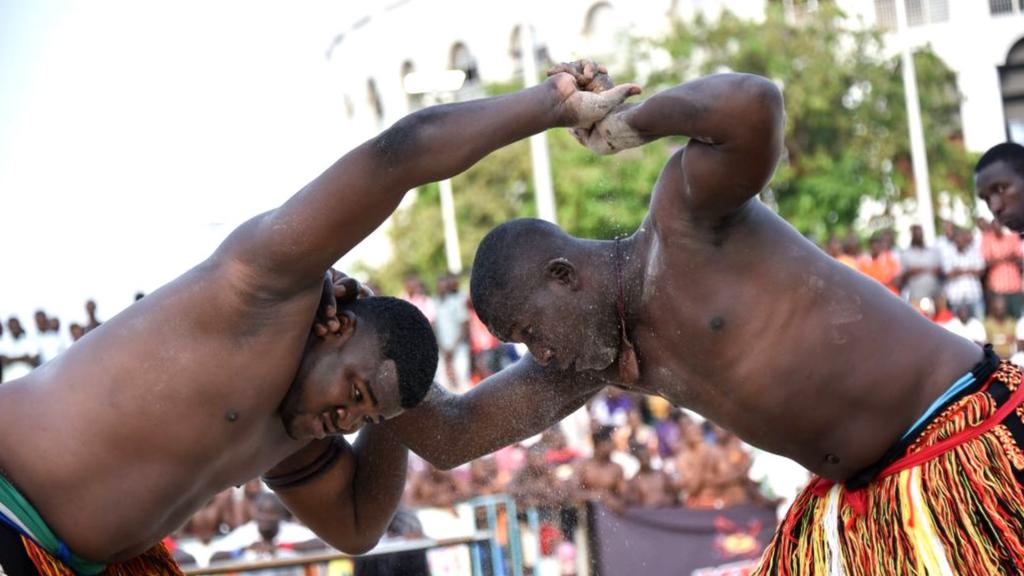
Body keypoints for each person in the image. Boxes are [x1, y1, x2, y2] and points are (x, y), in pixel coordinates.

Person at [0, 60, 636, 574]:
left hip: (79, 559)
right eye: (354, 395)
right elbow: (402, 155)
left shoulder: (296, 432)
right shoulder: (263, 288)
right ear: (337, 324)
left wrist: (611, 345)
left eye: (364, 416)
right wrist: (550, 105)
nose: (346, 420)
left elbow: (361, 524)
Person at [397, 65, 1024, 574]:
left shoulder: (682, 221)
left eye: (531, 332)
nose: (543, 355)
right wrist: (372, 335)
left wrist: (629, 126)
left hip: (970, 440)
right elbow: (452, 436)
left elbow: (752, 104)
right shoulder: (599, 363)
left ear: (563, 277)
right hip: (869, 506)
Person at [981, 220, 1024, 317]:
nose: (997, 228)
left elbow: (1019, 258)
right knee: (1000, 318)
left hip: (1014, 287)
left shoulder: (1012, 237)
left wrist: (997, 259)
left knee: (1017, 318)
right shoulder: (987, 239)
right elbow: (987, 262)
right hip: (997, 288)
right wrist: (1007, 257)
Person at [899, 224, 942, 304]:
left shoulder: (932, 252)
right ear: (912, 235)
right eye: (916, 234)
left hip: (933, 295)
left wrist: (919, 269)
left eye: (920, 233)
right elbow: (906, 273)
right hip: (916, 296)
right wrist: (927, 269)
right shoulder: (906, 253)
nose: (919, 236)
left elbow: (938, 270)